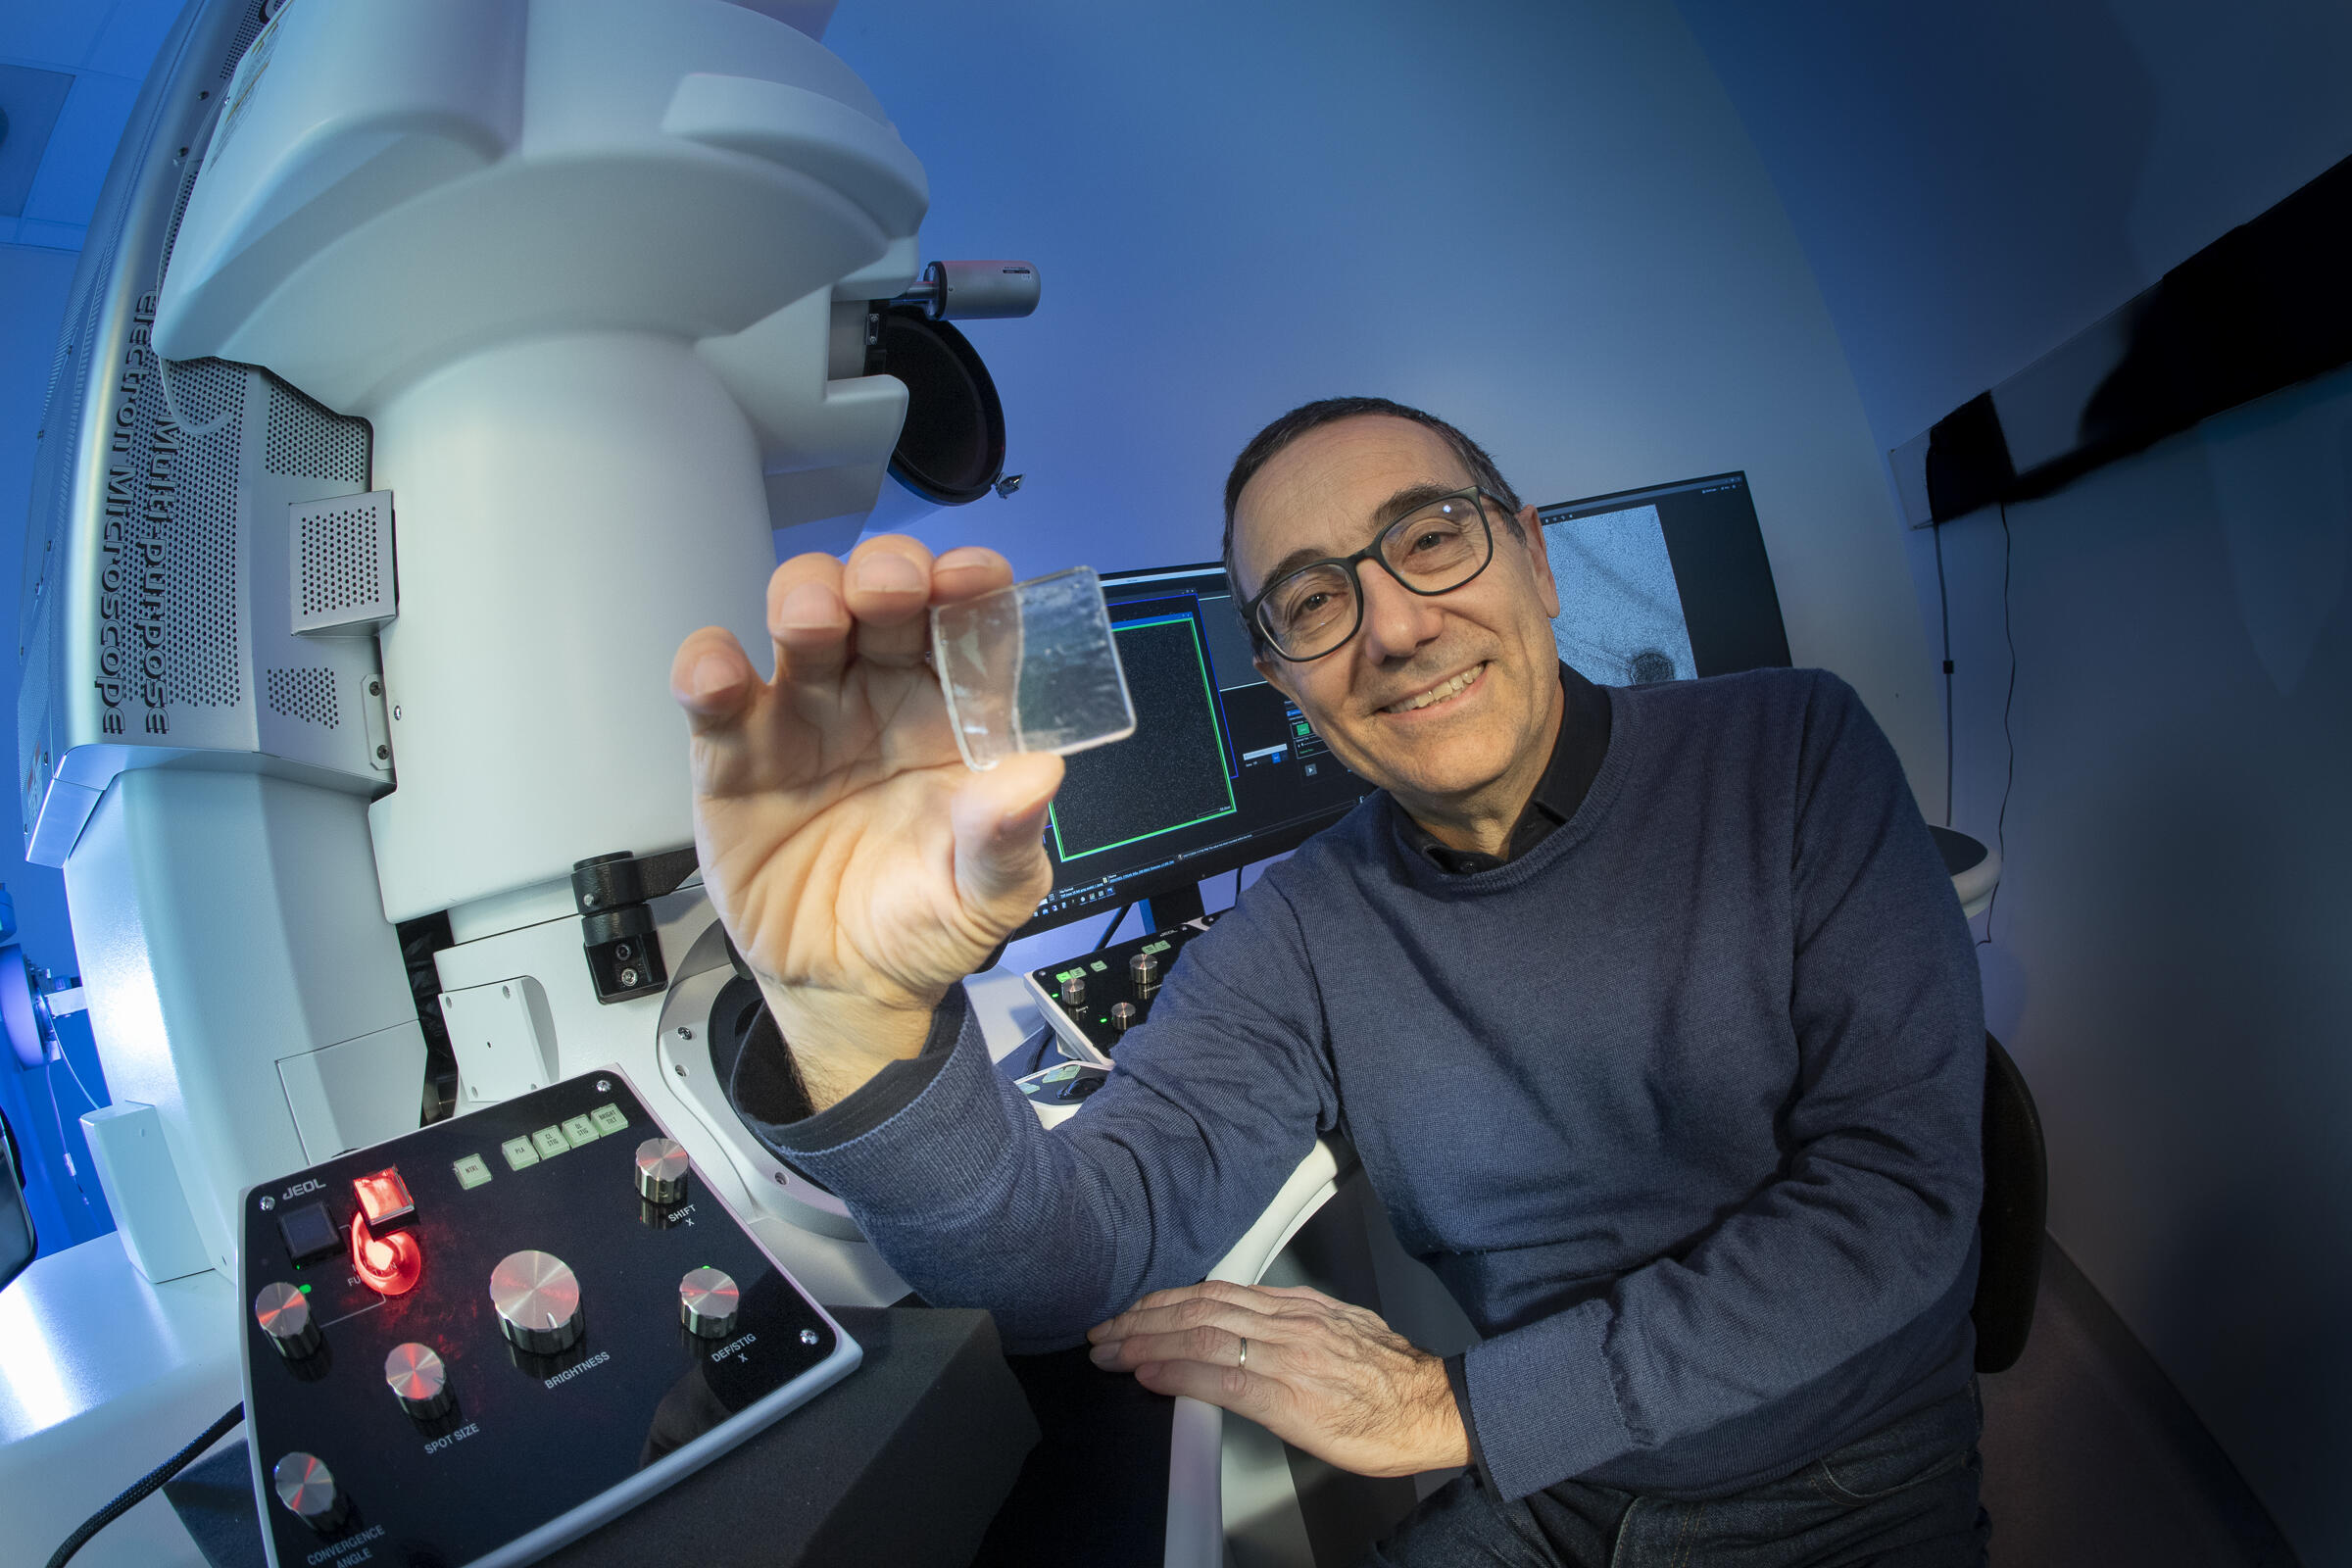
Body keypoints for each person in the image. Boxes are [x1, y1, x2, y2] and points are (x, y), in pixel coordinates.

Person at [668, 397, 1989, 1565]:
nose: (1398, 629)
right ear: (1284, 683)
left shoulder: (1795, 744)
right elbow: (1066, 1265)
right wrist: (857, 1020)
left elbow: (1897, 1199)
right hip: (1552, 1500)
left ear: (1535, 558)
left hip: (1846, 1480)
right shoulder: (1297, 932)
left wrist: (1452, 1408)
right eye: (1312, 603)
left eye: (1429, 538)